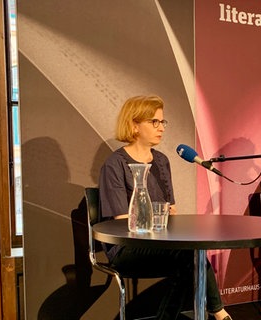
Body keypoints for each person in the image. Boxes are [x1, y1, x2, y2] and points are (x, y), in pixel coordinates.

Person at [99, 95, 231, 320]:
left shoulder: (161, 160)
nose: (161, 128)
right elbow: (122, 222)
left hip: (160, 242)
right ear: (134, 125)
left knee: (194, 252)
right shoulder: (115, 164)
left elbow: (171, 211)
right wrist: (158, 218)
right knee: (188, 256)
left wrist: (165, 218)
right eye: (154, 122)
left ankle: (212, 313)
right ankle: (219, 313)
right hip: (125, 247)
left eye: (163, 122)